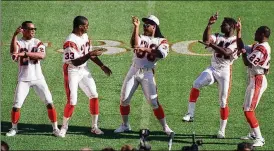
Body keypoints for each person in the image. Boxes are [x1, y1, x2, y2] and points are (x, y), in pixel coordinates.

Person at [114, 15, 173, 136]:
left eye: (147, 25)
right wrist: (136, 27)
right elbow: (133, 44)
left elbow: (160, 54)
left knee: (154, 102)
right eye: (144, 25)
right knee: (124, 99)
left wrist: (145, 49)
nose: (145, 27)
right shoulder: (141, 36)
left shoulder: (162, 41)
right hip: (134, 69)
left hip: (147, 73)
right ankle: (125, 125)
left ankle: (165, 126)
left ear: (154, 27)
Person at [182, 12, 239, 138]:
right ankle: (190, 114)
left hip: (225, 71)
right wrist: (209, 25)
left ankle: (222, 131)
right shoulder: (218, 36)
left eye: (224, 25)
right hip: (213, 68)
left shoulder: (236, 41)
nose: (221, 26)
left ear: (232, 27)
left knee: (223, 101)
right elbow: (206, 40)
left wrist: (212, 45)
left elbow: (227, 53)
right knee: (196, 83)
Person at [58, 16, 112, 137]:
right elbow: (76, 61)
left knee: (94, 95)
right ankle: (64, 127)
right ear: (80, 26)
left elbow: (89, 55)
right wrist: (89, 54)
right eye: (86, 25)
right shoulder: (70, 41)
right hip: (72, 70)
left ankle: (94, 127)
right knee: (72, 101)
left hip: (83, 69)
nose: (88, 27)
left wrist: (102, 66)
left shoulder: (85, 36)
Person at [6, 21, 59, 137]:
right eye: (30, 29)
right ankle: (14, 128)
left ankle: (55, 128)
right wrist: (14, 36)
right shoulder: (19, 42)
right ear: (23, 30)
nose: (33, 31)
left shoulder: (37, 42)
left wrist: (24, 54)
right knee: (16, 105)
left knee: (49, 102)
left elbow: (41, 56)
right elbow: (13, 52)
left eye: (34, 28)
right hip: (24, 79)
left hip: (38, 78)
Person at [236, 18, 271, 147]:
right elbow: (241, 46)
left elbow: (247, 62)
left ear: (262, 34)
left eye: (257, 32)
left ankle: (260, 138)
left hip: (258, 79)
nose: (254, 33)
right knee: (247, 107)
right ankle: (252, 133)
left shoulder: (262, 49)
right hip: (254, 78)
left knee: (248, 110)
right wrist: (238, 31)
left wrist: (244, 53)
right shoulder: (258, 46)